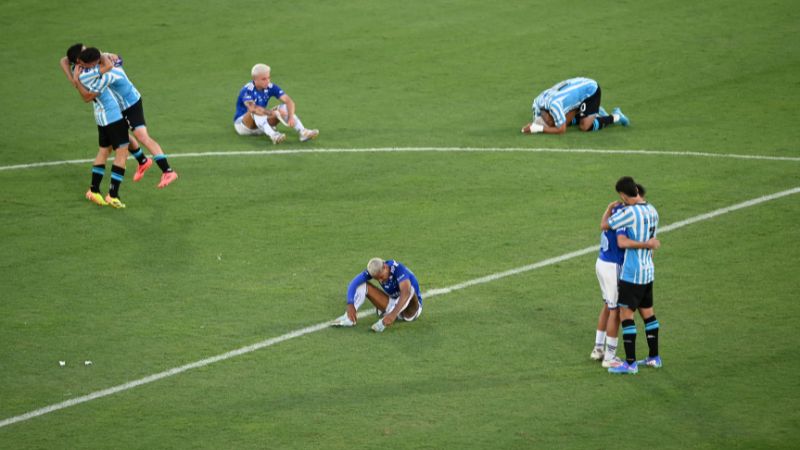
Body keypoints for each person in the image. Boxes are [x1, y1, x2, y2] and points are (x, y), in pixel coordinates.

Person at [68, 44, 178, 188]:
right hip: (121, 105)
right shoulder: (107, 60)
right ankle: (143, 162)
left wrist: (75, 80)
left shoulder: (104, 75)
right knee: (121, 137)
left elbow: (87, 97)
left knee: (142, 136)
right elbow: (66, 59)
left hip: (130, 104)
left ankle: (168, 171)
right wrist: (104, 54)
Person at [602, 177, 662, 374]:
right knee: (648, 314)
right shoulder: (653, 210)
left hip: (632, 272)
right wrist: (649, 246)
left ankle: (630, 363)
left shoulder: (628, 213)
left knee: (626, 315)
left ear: (622, 195)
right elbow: (652, 240)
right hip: (648, 271)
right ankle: (654, 358)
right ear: (636, 189)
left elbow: (609, 229)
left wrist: (610, 208)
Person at [591, 183, 650, 369]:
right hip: (613, 266)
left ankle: (598, 349)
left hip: (601, 262)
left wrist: (607, 208)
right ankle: (610, 357)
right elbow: (622, 242)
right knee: (615, 310)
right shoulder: (626, 214)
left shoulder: (614, 208)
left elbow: (603, 225)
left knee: (607, 306)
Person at [73, 47, 131, 208]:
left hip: (101, 117)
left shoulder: (77, 70)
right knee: (122, 153)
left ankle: (93, 190)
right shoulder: (90, 73)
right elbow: (110, 65)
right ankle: (112, 195)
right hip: (112, 117)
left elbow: (65, 59)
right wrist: (103, 55)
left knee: (104, 151)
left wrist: (75, 80)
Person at [233, 63, 319, 144]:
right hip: (243, 126)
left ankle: (302, 132)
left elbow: (289, 101)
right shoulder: (247, 90)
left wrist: (291, 117)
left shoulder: (270, 87)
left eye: (268, 77)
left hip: (260, 125)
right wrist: (274, 113)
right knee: (257, 111)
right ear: (255, 79)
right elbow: (253, 109)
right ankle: (274, 135)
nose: (267, 81)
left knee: (283, 108)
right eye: (264, 79)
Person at [331, 258, 423, 332]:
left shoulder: (398, 269)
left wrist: (393, 314)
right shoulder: (376, 270)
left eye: (381, 277)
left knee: (409, 289)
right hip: (393, 304)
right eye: (377, 279)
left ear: (385, 267)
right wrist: (350, 304)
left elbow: (406, 292)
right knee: (361, 284)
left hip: (411, 310)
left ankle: (384, 321)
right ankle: (349, 318)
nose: (381, 281)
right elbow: (353, 283)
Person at [521, 77, 629, 135]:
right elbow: (536, 119)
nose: (551, 124)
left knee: (585, 126)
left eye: (550, 123)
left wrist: (539, 129)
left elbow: (561, 130)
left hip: (590, 91)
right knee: (564, 121)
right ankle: (592, 112)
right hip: (576, 90)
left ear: (549, 114)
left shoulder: (554, 105)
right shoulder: (538, 102)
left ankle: (616, 116)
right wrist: (533, 125)